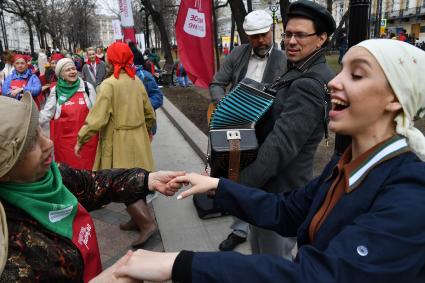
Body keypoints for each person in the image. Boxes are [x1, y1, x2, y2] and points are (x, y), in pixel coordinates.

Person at [95, 38, 425, 283]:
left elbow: (317, 276)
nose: (334, 81)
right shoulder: (347, 161)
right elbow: (287, 210)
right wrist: (217, 185)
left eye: (356, 75)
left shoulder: (410, 192)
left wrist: (178, 263)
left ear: (395, 98)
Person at [0, 92, 184, 282]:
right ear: (5, 172)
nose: (48, 143)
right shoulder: (8, 242)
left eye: (39, 131)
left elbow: (94, 184)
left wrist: (147, 179)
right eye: (30, 145)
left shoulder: (55, 176)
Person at [210, 9, 287, 252]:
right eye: (254, 37)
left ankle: (265, 228)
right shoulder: (238, 53)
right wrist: (224, 104)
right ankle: (239, 229)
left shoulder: (285, 59)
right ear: (247, 36)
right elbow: (216, 82)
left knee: (264, 179)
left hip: (269, 129)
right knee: (236, 177)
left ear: (271, 31)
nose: (260, 41)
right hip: (237, 130)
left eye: (263, 35)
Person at [75, 42, 157, 248]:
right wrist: (149, 129)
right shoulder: (136, 80)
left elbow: (97, 118)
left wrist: (81, 138)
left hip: (120, 140)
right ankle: (137, 219)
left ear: (111, 61)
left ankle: (147, 224)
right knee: (136, 180)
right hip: (138, 138)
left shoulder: (109, 85)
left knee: (123, 184)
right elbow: (149, 110)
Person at [38, 58, 98, 169]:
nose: (72, 72)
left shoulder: (87, 87)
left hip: (87, 143)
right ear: (61, 75)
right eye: (68, 70)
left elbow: (97, 112)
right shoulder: (55, 91)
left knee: (90, 175)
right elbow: (46, 114)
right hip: (65, 145)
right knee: (70, 178)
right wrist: (31, 123)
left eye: (73, 68)